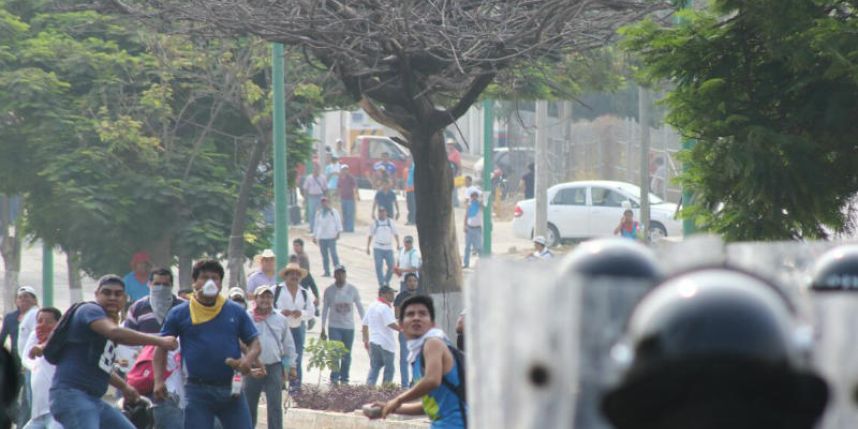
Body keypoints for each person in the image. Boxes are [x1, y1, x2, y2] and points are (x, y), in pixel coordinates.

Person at [49, 274, 178, 429]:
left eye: (118, 294)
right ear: (97, 294)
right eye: (107, 292)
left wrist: (124, 387)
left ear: (124, 298)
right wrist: (160, 340)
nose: (112, 297)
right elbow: (115, 333)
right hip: (72, 395)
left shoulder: (106, 323)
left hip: (94, 400)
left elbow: (102, 366)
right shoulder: (89, 310)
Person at [155, 260, 260, 429]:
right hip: (197, 391)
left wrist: (248, 361)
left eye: (215, 278)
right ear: (195, 282)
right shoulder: (180, 313)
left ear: (220, 283)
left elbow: (254, 343)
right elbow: (160, 347)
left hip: (231, 389)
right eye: (204, 277)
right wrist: (158, 381)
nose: (210, 282)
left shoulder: (235, 310)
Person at [374, 295, 466, 428]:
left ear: (432, 323)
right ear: (401, 325)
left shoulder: (433, 343)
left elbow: (432, 380)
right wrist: (389, 408)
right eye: (410, 314)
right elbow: (430, 405)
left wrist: (398, 400)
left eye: (422, 314)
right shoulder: (417, 356)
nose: (416, 317)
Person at [124, 268, 185, 429]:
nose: (161, 288)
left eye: (165, 284)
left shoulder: (182, 307)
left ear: (172, 285)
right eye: (157, 284)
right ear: (149, 284)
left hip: (173, 372)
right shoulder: (138, 308)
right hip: (141, 370)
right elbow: (126, 339)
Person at [245, 286, 296, 429]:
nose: (265, 300)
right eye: (262, 296)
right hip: (252, 366)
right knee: (249, 404)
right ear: (256, 299)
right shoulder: (246, 317)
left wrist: (291, 366)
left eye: (269, 297)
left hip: (274, 366)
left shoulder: (280, 319)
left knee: (274, 405)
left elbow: (288, 345)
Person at [319, 266, 365, 385]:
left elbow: (360, 306)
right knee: (334, 352)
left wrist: (365, 323)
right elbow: (325, 309)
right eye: (338, 274)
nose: (340, 276)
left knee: (346, 353)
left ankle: (344, 378)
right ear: (334, 275)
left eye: (342, 274)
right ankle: (334, 377)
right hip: (334, 326)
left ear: (345, 275)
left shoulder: (352, 290)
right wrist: (323, 327)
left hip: (348, 327)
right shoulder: (329, 291)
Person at [274, 263, 316, 392]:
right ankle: (278, 385)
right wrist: (280, 312)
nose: (294, 276)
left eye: (297, 274)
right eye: (292, 274)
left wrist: (301, 313)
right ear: (286, 276)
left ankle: (295, 388)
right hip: (280, 328)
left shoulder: (304, 293)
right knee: (278, 357)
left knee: (296, 357)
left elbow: (311, 312)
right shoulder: (276, 290)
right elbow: (268, 307)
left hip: (297, 328)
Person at [21, 307, 61, 429]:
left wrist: (42, 347)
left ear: (58, 324)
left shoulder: (62, 342)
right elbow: (26, 358)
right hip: (38, 413)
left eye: (48, 321)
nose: (43, 325)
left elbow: (56, 339)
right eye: (39, 321)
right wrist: (35, 365)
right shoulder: (35, 337)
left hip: (55, 411)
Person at [362, 286, 400, 386]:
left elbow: (364, 324)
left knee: (375, 367)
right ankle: (385, 392)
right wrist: (403, 330)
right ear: (383, 294)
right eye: (390, 293)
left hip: (374, 342)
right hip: (386, 343)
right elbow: (391, 323)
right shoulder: (384, 307)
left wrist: (366, 341)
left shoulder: (372, 305)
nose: (393, 296)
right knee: (389, 370)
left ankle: (368, 388)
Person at [15, 286, 38, 428]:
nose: (24, 300)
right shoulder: (23, 317)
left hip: (33, 364)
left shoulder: (35, 314)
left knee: (32, 400)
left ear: (34, 300)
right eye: (21, 297)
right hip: (27, 365)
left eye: (27, 297)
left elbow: (38, 337)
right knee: (27, 400)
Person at [393, 274, 421, 388]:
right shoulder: (400, 297)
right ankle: (404, 384)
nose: (412, 283)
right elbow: (397, 314)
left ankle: (416, 382)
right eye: (410, 281)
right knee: (405, 358)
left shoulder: (421, 296)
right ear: (406, 283)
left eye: (414, 280)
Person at [367, 207, 401, 287]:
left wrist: (398, 243)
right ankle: (381, 283)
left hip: (388, 247)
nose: (381, 213)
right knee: (378, 266)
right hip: (378, 247)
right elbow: (370, 235)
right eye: (380, 212)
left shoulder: (390, 222)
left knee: (392, 266)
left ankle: (386, 280)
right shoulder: (375, 223)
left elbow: (396, 233)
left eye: (383, 212)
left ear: (386, 212)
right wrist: (368, 247)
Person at [313, 197, 343, 277]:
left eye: (325, 202)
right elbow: (316, 225)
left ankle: (337, 271)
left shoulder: (333, 212)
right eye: (322, 202)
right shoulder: (319, 213)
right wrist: (314, 235)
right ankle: (326, 271)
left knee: (333, 254)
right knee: (324, 255)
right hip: (322, 237)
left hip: (331, 236)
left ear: (328, 202)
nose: (324, 204)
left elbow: (338, 222)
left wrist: (338, 232)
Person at [292, 239, 321, 308]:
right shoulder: (299, 256)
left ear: (302, 246)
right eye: (294, 246)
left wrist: (316, 296)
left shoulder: (302, 257)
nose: (295, 248)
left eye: (297, 246)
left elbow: (309, 278)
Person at [301, 167, 327, 231]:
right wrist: (305, 198)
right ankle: (312, 228)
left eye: (317, 170)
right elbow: (305, 189)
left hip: (320, 196)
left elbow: (325, 189)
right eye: (315, 170)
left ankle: (320, 228)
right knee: (312, 213)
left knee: (320, 213)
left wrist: (325, 198)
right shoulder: (309, 178)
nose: (316, 171)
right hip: (311, 197)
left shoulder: (323, 178)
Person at [463, 190, 484, 269]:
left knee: (479, 248)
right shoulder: (470, 206)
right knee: (467, 247)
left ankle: (483, 263)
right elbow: (466, 216)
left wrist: (481, 197)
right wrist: (464, 226)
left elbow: (483, 203)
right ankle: (466, 263)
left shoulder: (479, 206)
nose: (474, 198)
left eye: (475, 196)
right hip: (469, 228)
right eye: (472, 196)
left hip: (477, 229)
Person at [338, 164, 359, 233]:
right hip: (343, 197)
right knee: (344, 213)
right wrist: (337, 195)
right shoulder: (340, 178)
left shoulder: (351, 178)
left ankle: (350, 228)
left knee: (350, 213)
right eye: (343, 169)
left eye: (346, 169)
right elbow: (338, 187)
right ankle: (345, 228)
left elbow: (355, 186)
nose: (345, 171)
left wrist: (357, 195)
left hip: (350, 198)